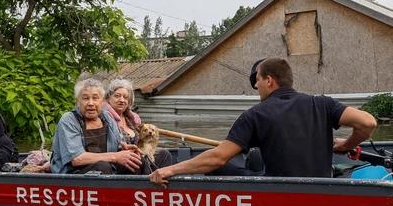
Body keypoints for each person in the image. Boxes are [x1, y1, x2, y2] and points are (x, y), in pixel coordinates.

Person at [150, 57, 377, 187]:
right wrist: (347, 145)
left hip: (280, 192)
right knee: (257, 155)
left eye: (257, 80)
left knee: (218, 165)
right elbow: (367, 123)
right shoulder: (323, 104)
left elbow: (217, 157)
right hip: (323, 187)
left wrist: (170, 170)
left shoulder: (255, 115)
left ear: (269, 80)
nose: (256, 86)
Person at [50, 78, 144, 174]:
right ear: (78, 101)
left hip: (107, 170)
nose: (91, 103)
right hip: (74, 175)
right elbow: (76, 159)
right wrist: (115, 157)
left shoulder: (106, 118)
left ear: (102, 101)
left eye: (95, 98)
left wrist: (126, 150)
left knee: (138, 161)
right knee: (102, 166)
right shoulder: (69, 120)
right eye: (86, 98)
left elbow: (119, 144)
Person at [103, 78, 173, 171]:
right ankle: (148, 182)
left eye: (125, 97)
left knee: (164, 154)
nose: (122, 100)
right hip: (121, 162)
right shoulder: (105, 118)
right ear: (109, 98)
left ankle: (163, 181)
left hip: (139, 157)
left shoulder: (133, 119)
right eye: (117, 96)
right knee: (140, 160)